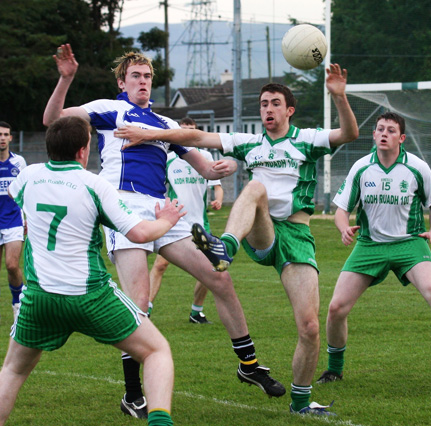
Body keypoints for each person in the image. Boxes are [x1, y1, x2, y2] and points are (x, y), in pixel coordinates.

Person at [43, 44, 285, 418]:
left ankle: (249, 366)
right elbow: (53, 119)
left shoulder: (168, 125)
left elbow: (206, 169)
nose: (143, 82)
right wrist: (66, 78)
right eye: (136, 76)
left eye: (148, 77)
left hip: (162, 212)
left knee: (220, 280)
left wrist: (229, 166)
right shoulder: (110, 109)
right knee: (138, 303)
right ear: (122, 83)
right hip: (123, 208)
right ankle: (132, 394)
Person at [115, 63, 359, 416]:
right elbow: (195, 138)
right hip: (261, 230)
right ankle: (224, 247)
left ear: (289, 110)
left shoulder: (307, 138)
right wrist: (152, 133)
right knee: (256, 187)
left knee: (309, 327)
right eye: (263, 104)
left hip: (297, 237)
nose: (268, 110)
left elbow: (348, 134)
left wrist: (339, 97)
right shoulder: (249, 143)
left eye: (275, 103)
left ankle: (302, 403)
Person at [0, 116, 185, 426]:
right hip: (90, 297)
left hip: (39, 297)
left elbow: (18, 200)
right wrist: (167, 220)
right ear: (84, 150)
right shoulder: (95, 184)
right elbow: (138, 233)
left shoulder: (28, 176)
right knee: (156, 352)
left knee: (13, 370)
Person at [316, 111, 431, 385]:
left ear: (401, 138)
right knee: (336, 308)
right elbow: (341, 210)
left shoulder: (416, 167)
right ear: (374, 135)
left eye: (390, 130)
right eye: (380, 129)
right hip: (369, 245)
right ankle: (334, 369)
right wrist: (343, 228)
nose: (384, 133)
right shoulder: (362, 167)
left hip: (409, 243)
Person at [149, 117, 223, 324]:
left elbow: (217, 185)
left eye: (191, 130)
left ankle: (196, 312)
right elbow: (158, 188)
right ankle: (145, 309)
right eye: (183, 130)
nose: (187, 134)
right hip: (176, 222)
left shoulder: (205, 156)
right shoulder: (168, 158)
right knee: (161, 265)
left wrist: (218, 200)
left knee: (214, 266)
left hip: (200, 223)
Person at [0, 121, 26, 320]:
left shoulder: (19, 163)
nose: (2, 138)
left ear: (10, 138)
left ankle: (18, 302)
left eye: (5, 134)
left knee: (11, 265)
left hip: (14, 221)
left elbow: (25, 192)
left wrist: (28, 218)